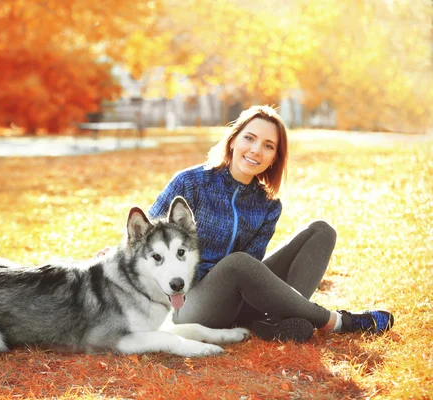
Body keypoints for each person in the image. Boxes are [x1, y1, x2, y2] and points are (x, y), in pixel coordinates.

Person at [144, 105, 394, 342]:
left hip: (238, 298)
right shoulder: (191, 182)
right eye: (249, 138)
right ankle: (336, 322)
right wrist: (115, 254)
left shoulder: (268, 205)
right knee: (237, 263)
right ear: (233, 141)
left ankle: (279, 321)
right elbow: (148, 235)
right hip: (188, 302)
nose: (255, 150)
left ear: (275, 158)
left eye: (268, 146)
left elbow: (253, 265)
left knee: (321, 231)